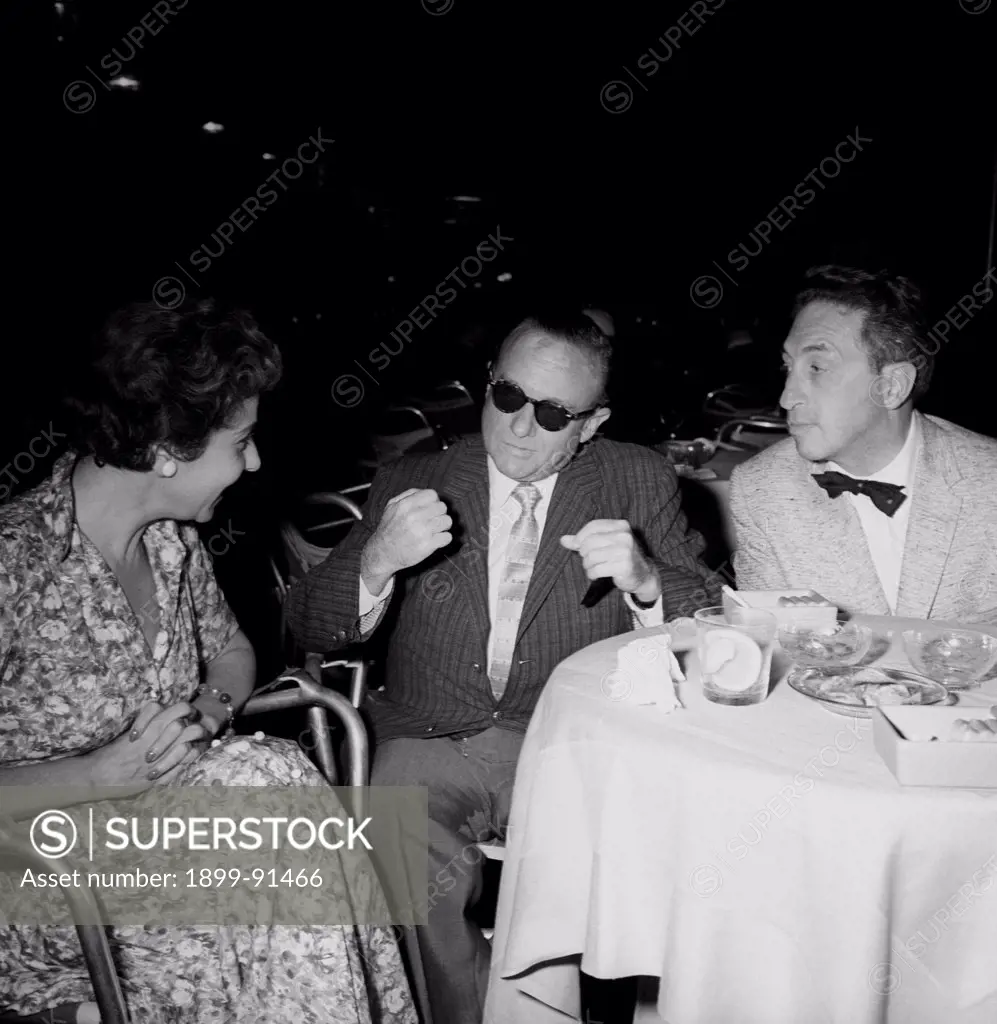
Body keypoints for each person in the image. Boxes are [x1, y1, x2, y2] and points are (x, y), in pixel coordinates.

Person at [286, 310, 719, 1024]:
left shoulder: (636, 478)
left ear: (592, 422)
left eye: (552, 414)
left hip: (564, 740)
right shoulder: (413, 476)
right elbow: (308, 622)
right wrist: (376, 561)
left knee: (587, 866)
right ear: (487, 386)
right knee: (398, 846)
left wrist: (645, 583)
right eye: (508, 397)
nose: (520, 427)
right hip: (428, 736)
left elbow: (706, 614)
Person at [0, 299, 416, 1024]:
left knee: (274, 781)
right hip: (48, 880)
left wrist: (208, 711)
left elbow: (231, 650)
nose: (254, 462)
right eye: (241, 441)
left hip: (160, 837)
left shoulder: (170, 541)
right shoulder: (15, 563)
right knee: (275, 864)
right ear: (165, 449)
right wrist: (93, 776)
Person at [730, 265, 997, 622]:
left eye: (817, 368)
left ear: (891, 386)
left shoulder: (988, 481)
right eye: (788, 368)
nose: (787, 397)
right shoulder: (761, 490)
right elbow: (771, 647)